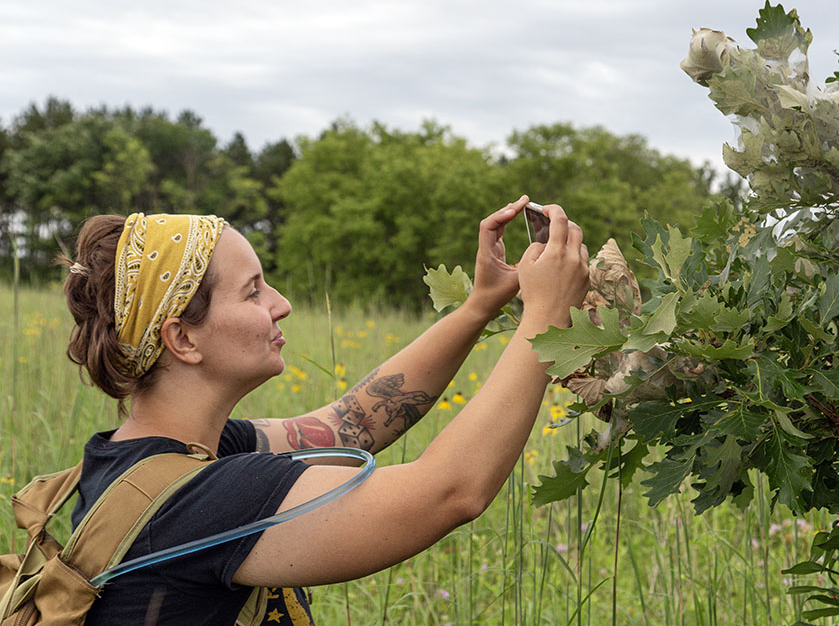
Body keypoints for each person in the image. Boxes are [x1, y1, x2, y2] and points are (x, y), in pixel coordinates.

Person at [60, 196, 589, 624]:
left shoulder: (167, 460)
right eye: (252, 292)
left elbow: (349, 424)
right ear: (183, 339)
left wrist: (480, 305)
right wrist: (545, 320)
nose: (280, 303)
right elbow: (448, 492)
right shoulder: (199, 501)